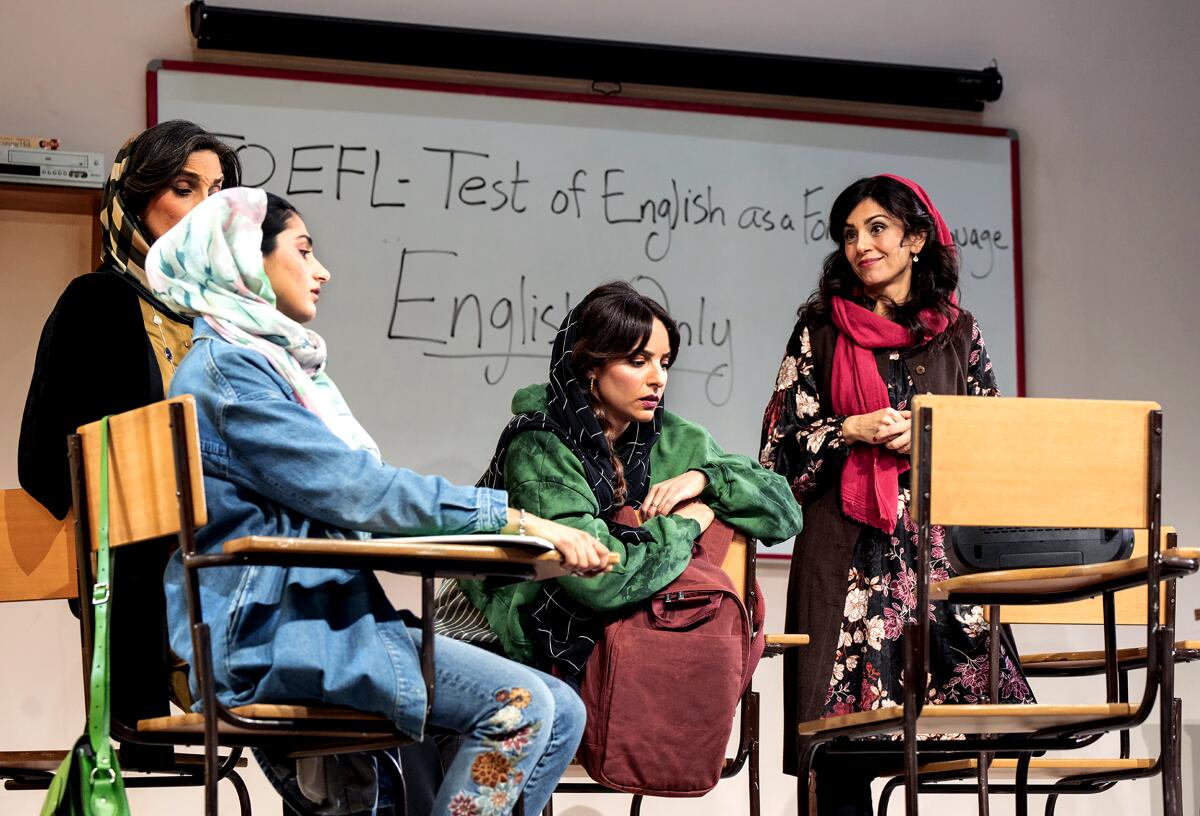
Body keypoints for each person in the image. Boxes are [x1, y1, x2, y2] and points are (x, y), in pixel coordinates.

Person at [144, 187, 607, 816]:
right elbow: (360, 491)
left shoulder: (264, 366)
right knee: (522, 709)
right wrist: (514, 517)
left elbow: (355, 496)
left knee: (563, 708)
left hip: (313, 618)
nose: (321, 270)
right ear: (247, 261)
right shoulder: (231, 375)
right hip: (274, 633)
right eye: (303, 251)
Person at [759, 174, 1034, 815]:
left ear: (914, 239)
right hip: (843, 556)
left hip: (935, 560)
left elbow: (999, 449)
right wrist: (847, 429)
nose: (862, 245)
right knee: (838, 750)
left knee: (965, 739)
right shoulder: (819, 330)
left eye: (877, 229)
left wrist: (933, 439)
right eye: (850, 234)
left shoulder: (957, 333)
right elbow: (777, 450)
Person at [16, 119, 241, 762]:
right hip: (146, 570)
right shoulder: (99, 302)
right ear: (135, 200)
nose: (206, 207)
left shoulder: (226, 319)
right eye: (184, 187)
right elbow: (49, 461)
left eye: (218, 190)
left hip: (225, 552)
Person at [444, 281, 803, 683]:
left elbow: (785, 514)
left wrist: (705, 479)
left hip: (606, 645)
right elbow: (599, 579)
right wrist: (690, 522)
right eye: (637, 361)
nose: (658, 379)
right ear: (590, 366)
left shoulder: (671, 438)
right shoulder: (541, 444)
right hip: (493, 633)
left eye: (664, 363)